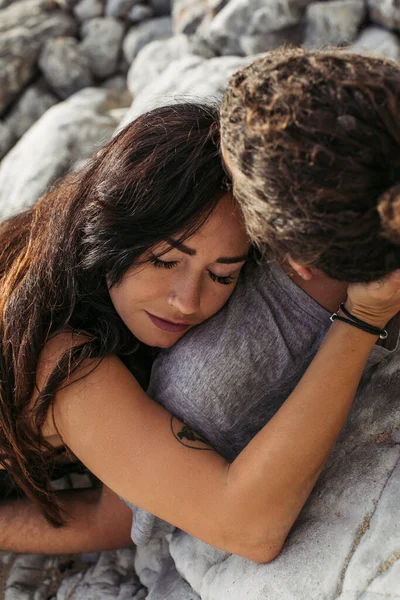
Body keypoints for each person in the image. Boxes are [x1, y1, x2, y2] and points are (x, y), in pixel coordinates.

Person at [0, 52, 399, 565]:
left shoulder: (99, 222)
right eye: (165, 262)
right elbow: (242, 529)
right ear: (108, 231)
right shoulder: (63, 361)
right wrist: (362, 320)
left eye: (222, 275)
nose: (188, 302)